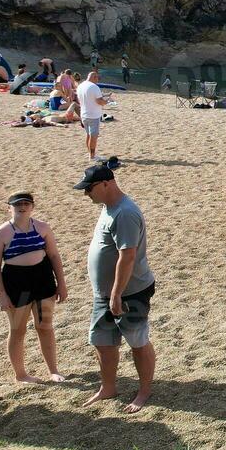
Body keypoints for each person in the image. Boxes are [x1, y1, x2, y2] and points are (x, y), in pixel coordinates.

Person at [75, 160, 156, 412]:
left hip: (129, 291)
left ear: (106, 184)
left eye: (90, 188)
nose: (87, 193)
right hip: (107, 292)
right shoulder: (108, 206)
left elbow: (128, 256)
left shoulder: (125, 213)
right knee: (102, 340)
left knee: (137, 341)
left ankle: (144, 392)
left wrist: (117, 293)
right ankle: (108, 387)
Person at [0, 192, 67, 384]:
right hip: (17, 283)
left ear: (32, 207)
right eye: (17, 204)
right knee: (18, 329)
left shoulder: (42, 228)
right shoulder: (2, 233)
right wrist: (2, 295)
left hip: (42, 280)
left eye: (26, 203)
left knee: (45, 326)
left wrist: (61, 283)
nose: (22, 207)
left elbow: (54, 256)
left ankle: (53, 371)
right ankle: (21, 374)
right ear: (9, 208)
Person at [77, 70, 109, 158]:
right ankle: (92, 156)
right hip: (93, 115)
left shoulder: (80, 86)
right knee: (93, 136)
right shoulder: (94, 87)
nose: (98, 80)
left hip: (83, 114)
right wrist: (105, 102)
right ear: (94, 77)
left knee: (89, 135)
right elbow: (99, 101)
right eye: (97, 78)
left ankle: (90, 154)